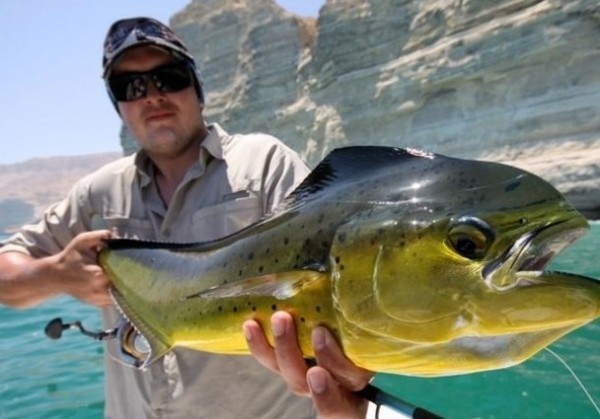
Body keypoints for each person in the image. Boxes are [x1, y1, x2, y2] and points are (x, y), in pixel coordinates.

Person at [0, 17, 372, 418]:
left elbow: (340, 278)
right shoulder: (97, 193)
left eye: (168, 78)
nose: (152, 96)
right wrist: (55, 274)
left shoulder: (264, 165)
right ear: (119, 106)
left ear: (196, 87)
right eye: (132, 87)